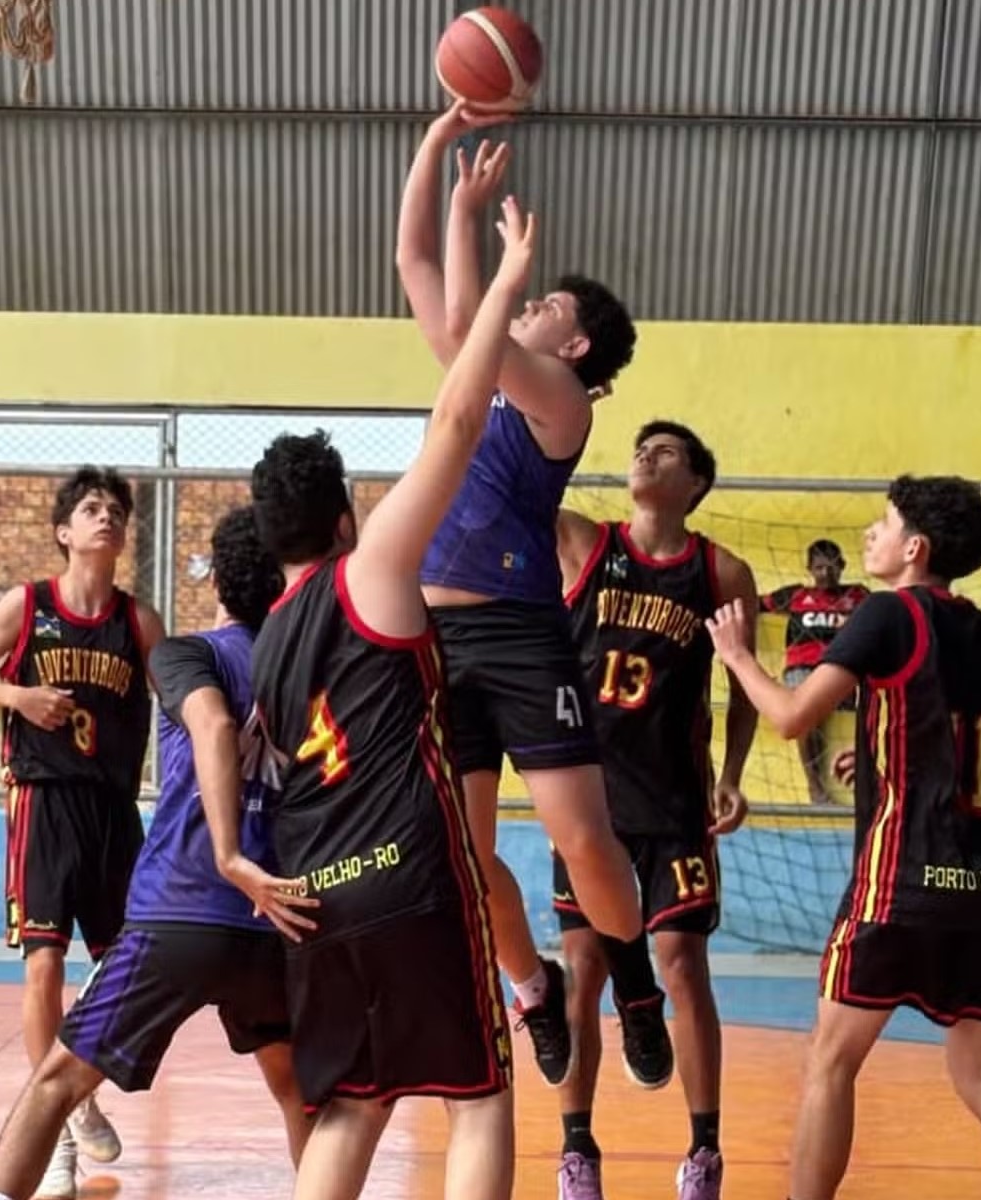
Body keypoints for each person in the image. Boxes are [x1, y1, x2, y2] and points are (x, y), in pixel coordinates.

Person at [246, 194, 541, 1200]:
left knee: (353, 1107)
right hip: (411, 875)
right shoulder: (367, 571)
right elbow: (458, 421)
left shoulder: (265, 644)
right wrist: (504, 281)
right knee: (479, 1096)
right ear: (341, 517)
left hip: (317, 898)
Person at [706, 475, 981, 1200]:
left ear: (915, 548)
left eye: (885, 523)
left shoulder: (886, 613)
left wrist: (739, 657)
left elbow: (791, 718)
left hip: (902, 879)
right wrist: (883, 750)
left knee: (830, 1061)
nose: (872, 533)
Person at [396, 104, 643, 1085]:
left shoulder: (562, 402)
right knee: (462, 852)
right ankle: (533, 986)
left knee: (581, 838)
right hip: (435, 638)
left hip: (520, 634)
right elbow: (414, 264)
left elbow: (469, 321)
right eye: (529, 299)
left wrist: (476, 223)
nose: (530, 305)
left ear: (573, 348)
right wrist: (436, 150)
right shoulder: (477, 377)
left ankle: (633, 978)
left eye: (546, 307)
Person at [0, 506, 316, 1200]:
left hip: (184, 908)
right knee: (298, 1093)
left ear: (215, 578)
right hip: (273, 921)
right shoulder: (306, 674)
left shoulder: (190, 655)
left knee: (55, 1084)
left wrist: (228, 853)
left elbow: (213, 726)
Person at [0, 467, 163, 1200]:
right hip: (43, 801)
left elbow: (184, 699)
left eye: (117, 510)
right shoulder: (28, 605)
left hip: (114, 811)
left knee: (128, 968)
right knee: (43, 965)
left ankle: (77, 1091)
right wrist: (17, 696)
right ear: (65, 531)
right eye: (92, 508)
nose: (108, 518)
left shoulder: (138, 621)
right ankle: (62, 1126)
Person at [552, 422, 759, 1200]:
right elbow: (518, 482)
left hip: (674, 803)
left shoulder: (722, 572)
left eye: (665, 451)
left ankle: (704, 1151)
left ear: (696, 481)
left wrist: (731, 774)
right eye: (641, 447)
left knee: (681, 962)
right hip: (588, 804)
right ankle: (577, 1151)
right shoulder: (585, 544)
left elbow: (744, 681)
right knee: (582, 970)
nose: (645, 455)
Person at [760, 541, 870, 804]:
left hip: (842, 671)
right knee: (805, 709)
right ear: (809, 569)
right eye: (819, 568)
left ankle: (869, 784)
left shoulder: (858, 595)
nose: (826, 573)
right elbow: (754, 603)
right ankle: (816, 789)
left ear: (842, 566)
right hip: (803, 671)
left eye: (831, 567)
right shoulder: (795, 595)